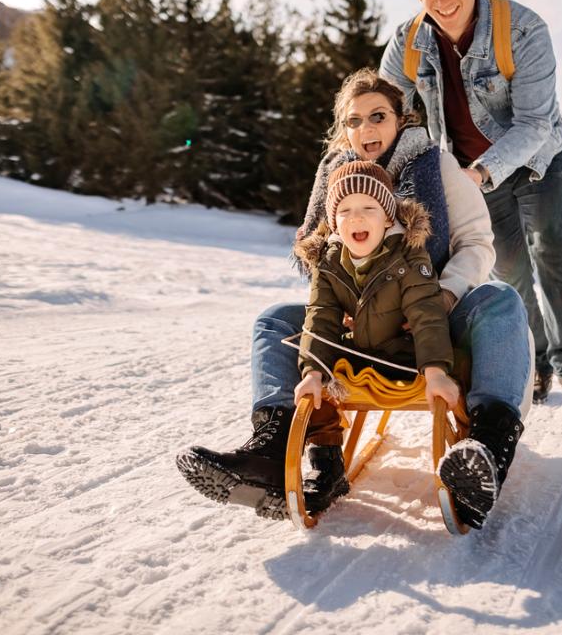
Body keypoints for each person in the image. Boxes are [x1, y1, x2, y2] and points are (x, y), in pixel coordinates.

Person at [177, 69, 533, 529]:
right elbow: (322, 265)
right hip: (360, 318)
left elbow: (478, 243)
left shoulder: (435, 165)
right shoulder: (335, 177)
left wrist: (445, 294)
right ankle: (272, 447)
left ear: (402, 120)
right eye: (353, 121)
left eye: (377, 117)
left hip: (435, 309)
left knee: (500, 298)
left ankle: (485, 449)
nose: (365, 130)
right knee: (275, 321)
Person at [379, 0, 562, 413]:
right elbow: (386, 108)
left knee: (553, 252)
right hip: (469, 171)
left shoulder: (522, 29)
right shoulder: (410, 41)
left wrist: (479, 173)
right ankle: (538, 362)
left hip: (539, 160)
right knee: (509, 270)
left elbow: (535, 123)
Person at [292, 159, 461, 514]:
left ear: (387, 216)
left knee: (464, 365)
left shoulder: (409, 255)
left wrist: (435, 371)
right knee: (309, 366)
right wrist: (312, 372)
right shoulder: (329, 262)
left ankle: (469, 453)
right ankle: (325, 457)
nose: (356, 217)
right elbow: (321, 317)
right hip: (359, 355)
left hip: (406, 357)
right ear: (334, 221)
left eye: (368, 207)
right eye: (345, 210)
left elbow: (426, 314)